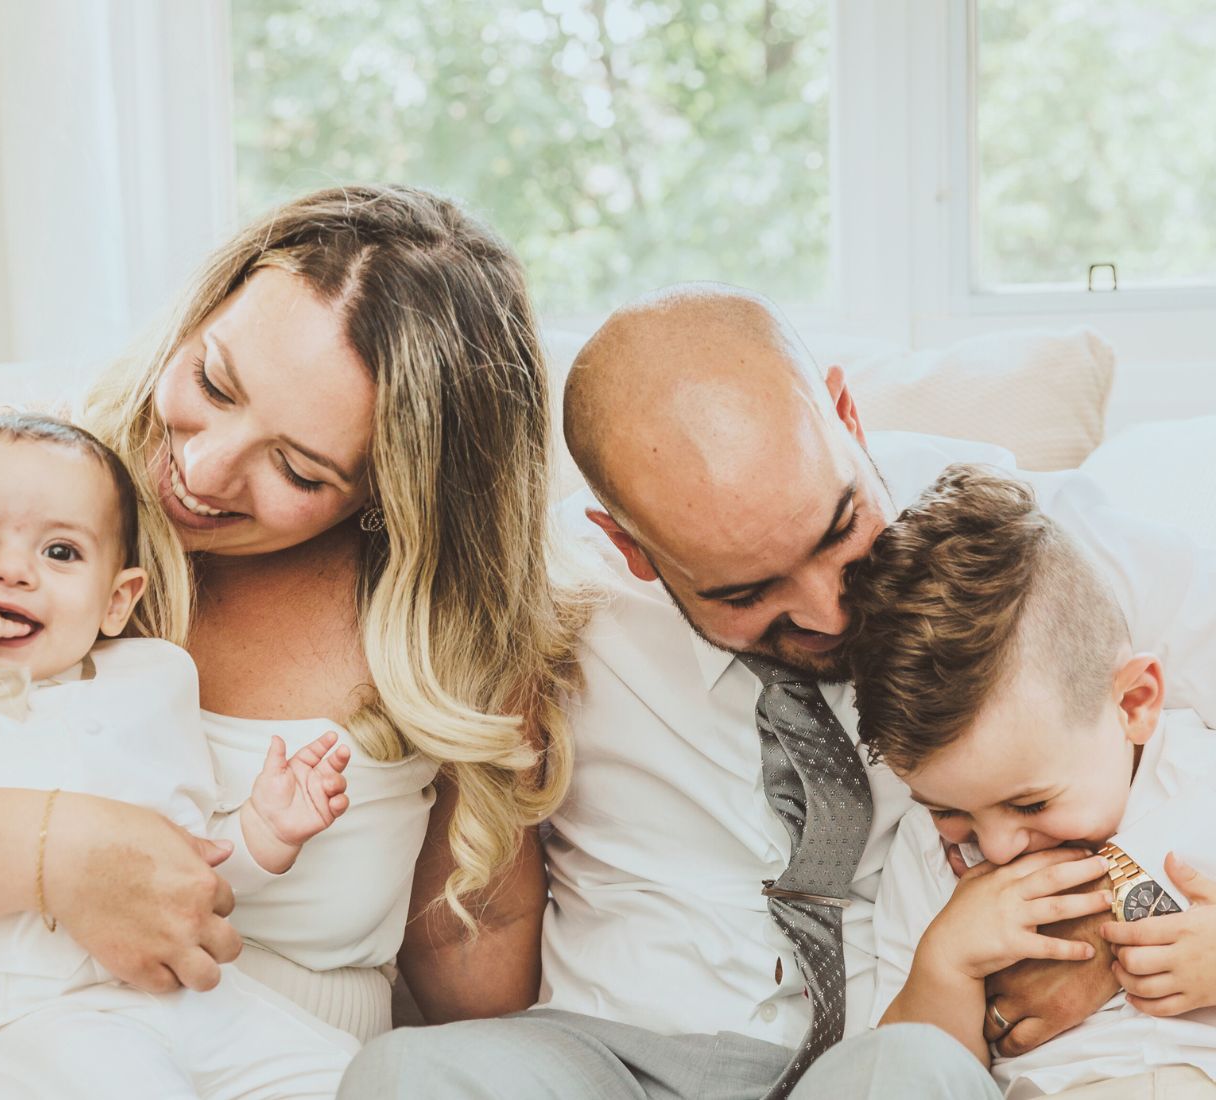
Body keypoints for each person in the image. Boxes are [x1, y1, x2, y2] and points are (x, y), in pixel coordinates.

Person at [339, 283, 1216, 1098]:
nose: (832, 610)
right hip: (624, 1053)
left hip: (880, 1063)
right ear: (632, 546)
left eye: (839, 532)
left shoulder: (1015, 547)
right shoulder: (546, 601)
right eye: (743, 592)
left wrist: (1123, 928)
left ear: (844, 416)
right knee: (406, 1074)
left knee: (908, 1067)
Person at [0, 186, 587, 1097]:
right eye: (213, 382)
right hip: (20, 1041)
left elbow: (469, 969)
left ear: (393, 492)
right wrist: (65, 852)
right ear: (199, 310)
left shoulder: (433, 636)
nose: (205, 468)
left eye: (299, 468)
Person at [0, 412, 365, 1097]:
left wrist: (262, 831)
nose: (12, 570)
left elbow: (183, 874)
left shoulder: (151, 685)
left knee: (344, 1075)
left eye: (61, 553)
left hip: (194, 998)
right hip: (34, 1022)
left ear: (116, 600)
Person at [854, 464, 1216, 1099]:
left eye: (1030, 802)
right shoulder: (926, 864)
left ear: (1133, 704)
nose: (993, 849)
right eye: (949, 812)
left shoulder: (1202, 778)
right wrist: (945, 967)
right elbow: (909, 1075)